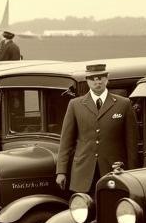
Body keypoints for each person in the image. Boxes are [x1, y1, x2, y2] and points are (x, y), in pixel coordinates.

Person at [55, 63, 138, 193]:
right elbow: (66, 141)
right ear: (87, 81)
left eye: (100, 77)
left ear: (107, 79)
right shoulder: (75, 105)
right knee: (82, 210)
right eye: (93, 78)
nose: (97, 81)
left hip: (115, 171)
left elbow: (132, 143)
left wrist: (133, 172)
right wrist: (61, 171)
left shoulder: (124, 104)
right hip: (83, 172)